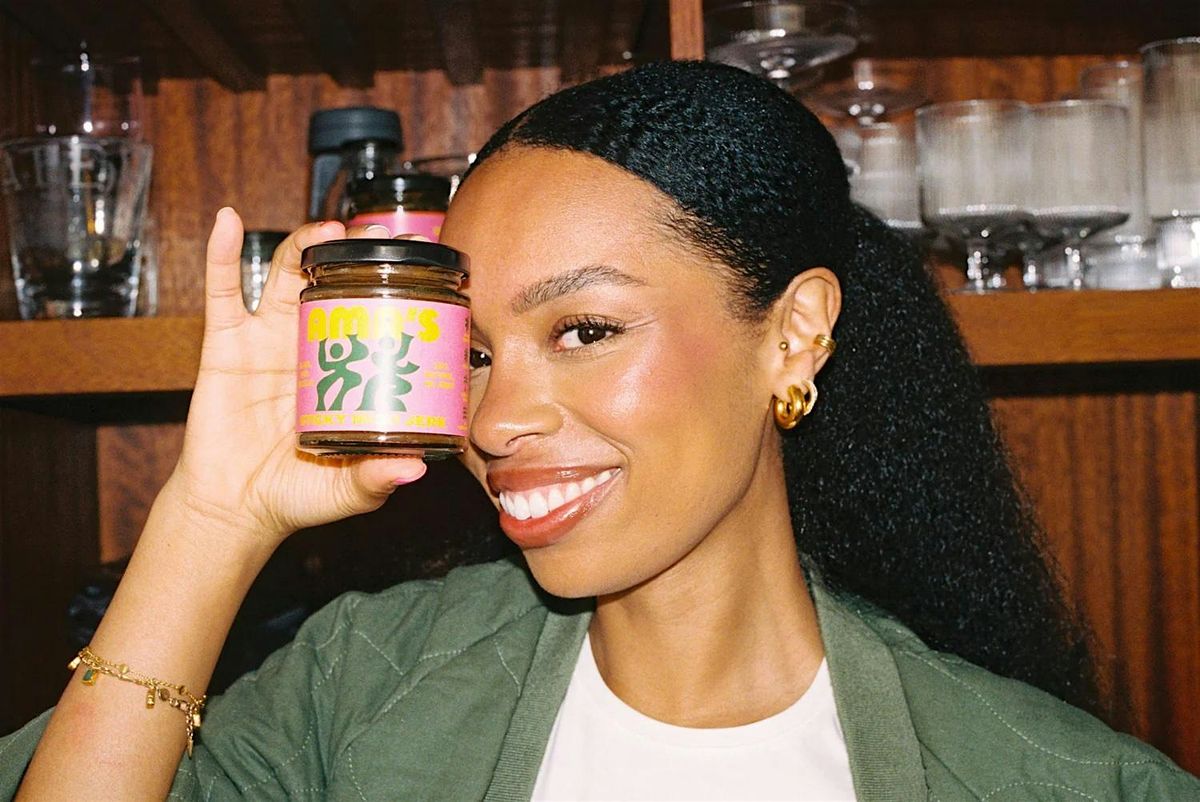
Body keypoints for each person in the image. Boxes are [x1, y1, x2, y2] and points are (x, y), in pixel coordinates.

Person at [3, 60, 1198, 801]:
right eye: (473, 352)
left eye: (584, 329)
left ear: (793, 335)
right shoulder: (366, 688)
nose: (495, 420)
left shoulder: (1052, 781)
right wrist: (212, 516)